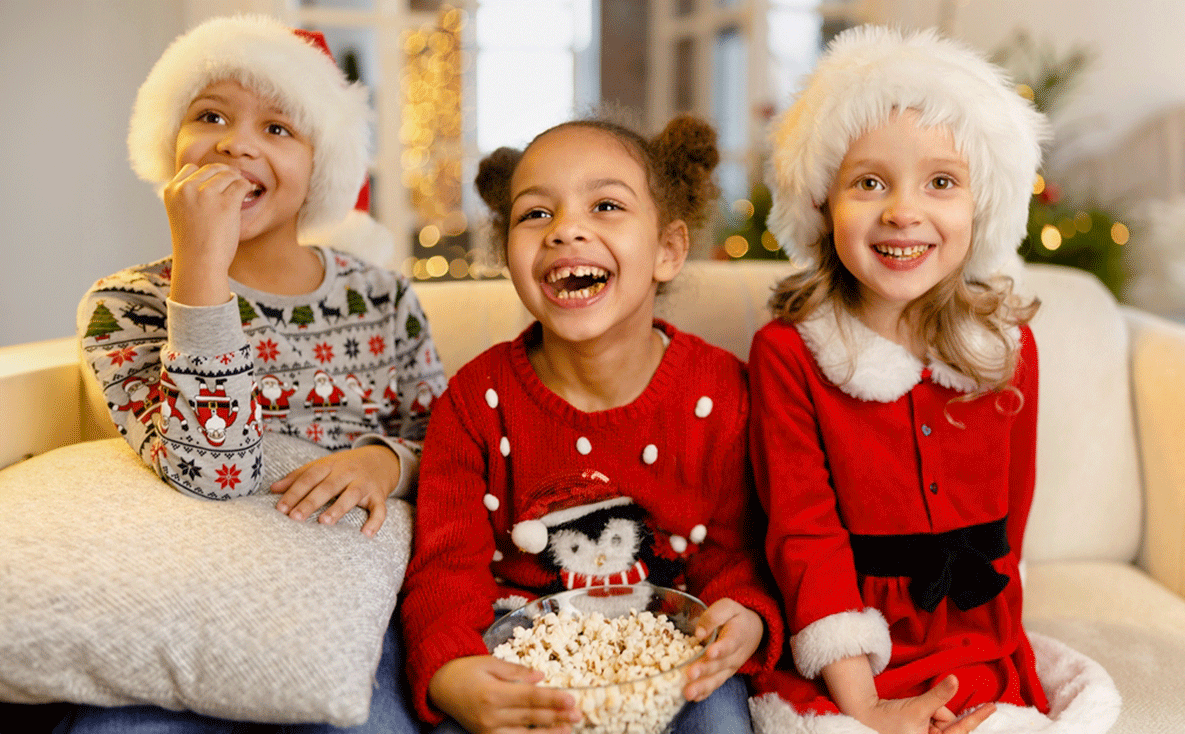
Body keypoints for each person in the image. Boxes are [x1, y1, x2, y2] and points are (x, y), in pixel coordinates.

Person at [66, 14, 445, 733]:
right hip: (192, 610)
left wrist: (382, 461)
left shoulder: (384, 297)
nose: (237, 143)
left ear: (320, 169)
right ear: (168, 145)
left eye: (278, 129)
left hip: (353, 612)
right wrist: (202, 270)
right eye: (211, 115)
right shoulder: (124, 306)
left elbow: (457, 450)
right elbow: (213, 468)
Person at [745, 26, 1116, 734]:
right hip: (847, 656)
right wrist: (866, 706)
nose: (903, 211)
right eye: (869, 182)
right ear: (822, 203)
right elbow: (804, 537)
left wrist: (991, 663)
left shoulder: (1008, 350)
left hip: (979, 643)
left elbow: (1012, 514)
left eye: (941, 181)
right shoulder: (788, 355)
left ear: (981, 209)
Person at [399, 114, 784, 734]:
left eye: (605, 205)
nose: (566, 230)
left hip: (680, 662)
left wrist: (746, 614)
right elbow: (444, 569)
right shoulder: (474, 404)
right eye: (535, 214)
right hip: (525, 666)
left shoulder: (722, 395)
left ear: (668, 250)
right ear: (507, 254)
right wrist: (451, 670)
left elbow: (739, 551)